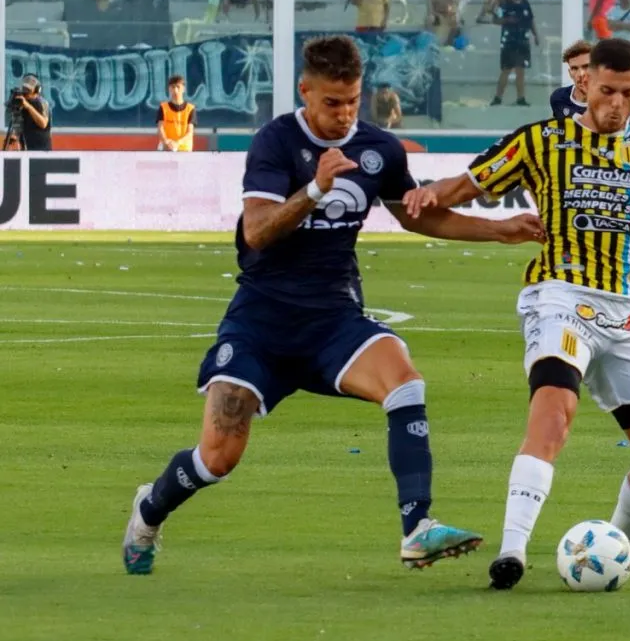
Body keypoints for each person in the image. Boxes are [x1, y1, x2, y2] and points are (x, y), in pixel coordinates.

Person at [122, 35, 546, 576]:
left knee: (405, 382)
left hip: (333, 320)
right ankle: (149, 511)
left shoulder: (379, 149)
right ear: (306, 92)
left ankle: (418, 528)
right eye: (331, 103)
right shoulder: (275, 143)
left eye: (352, 101)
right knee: (217, 457)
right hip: (262, 323)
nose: (344, 115)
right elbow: (257, 232)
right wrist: (316, 190)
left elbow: (415, 216)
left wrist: (500, 229)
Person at [402, 39, 630, 590]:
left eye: (628, 93)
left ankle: (620, 547)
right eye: (607, 91)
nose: (616, 105)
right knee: (554, 413)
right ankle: (511, 552)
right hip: (558, 296)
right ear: (585, 86)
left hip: (628, 312)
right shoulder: (542, 140)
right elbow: (465, 185)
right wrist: (429, 192)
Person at [491, 0, 539, 107]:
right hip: (509, 41)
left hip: (523, 40)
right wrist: (507, 20)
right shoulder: (505, 4)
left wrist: (536, 35)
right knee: (506, 70)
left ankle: (521, 98)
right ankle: (498, 98)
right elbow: (495, 20)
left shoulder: (525, 3)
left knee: (521, 70)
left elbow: (531, 20)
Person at [549, 40, 590, 118]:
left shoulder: (610, 102)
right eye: (574, 68)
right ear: (570, 73)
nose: (581, 74)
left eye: (586, 66)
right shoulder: (559, 97)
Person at [156, 75, 196, 152]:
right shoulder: (163, 107)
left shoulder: (190, 108)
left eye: (178, 87)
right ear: (169, 89)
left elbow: (190, 132)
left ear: (183, 89)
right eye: (173, 87)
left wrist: (177, 143)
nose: (175, 90)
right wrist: (166, 141)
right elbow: (160, 128)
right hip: (166, 147)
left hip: (184, 149)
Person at [13, 75, 51, 152]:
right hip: (26, 149)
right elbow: (18, 123)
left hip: (41, 150)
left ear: (36, 91)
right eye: (24, 89)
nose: (25, 92)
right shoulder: (22, 102)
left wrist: (28, 106)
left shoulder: (42, 103)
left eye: (28, 90)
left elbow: (43, 123)